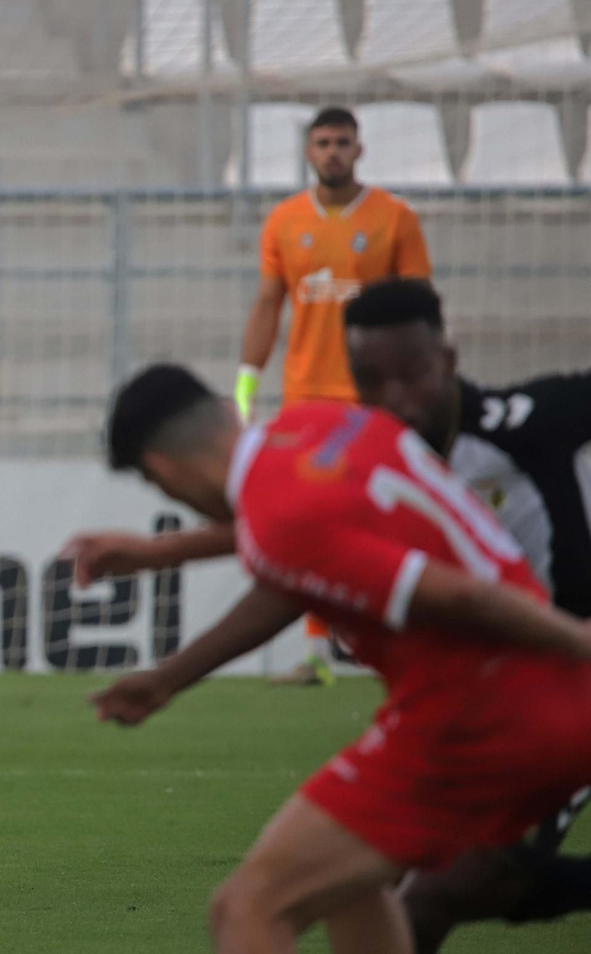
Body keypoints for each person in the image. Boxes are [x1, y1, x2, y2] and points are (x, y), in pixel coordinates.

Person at [67, 280, 591, 946]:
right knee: (349, 880)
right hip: (528, 700)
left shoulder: (283, 520)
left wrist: (578, 642)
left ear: (163, 470)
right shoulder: (318, 427)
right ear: (224, 409)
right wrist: (162, 629)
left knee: (248, 907)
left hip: (481, 715)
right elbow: (299, 551)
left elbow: (457, 595)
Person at [234, 106, 432, 685]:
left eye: (342, 142)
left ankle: (394, 641)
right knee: (310, 519)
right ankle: (318, 653)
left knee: (377, 520)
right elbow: (268, 303)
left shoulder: (395, 218)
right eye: (322, 142)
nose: (332, 152)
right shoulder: (284, 220)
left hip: (373, 398)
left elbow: (420, 306)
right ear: (308, 152)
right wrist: (247, 379)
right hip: (306, 398)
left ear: (359, 150)